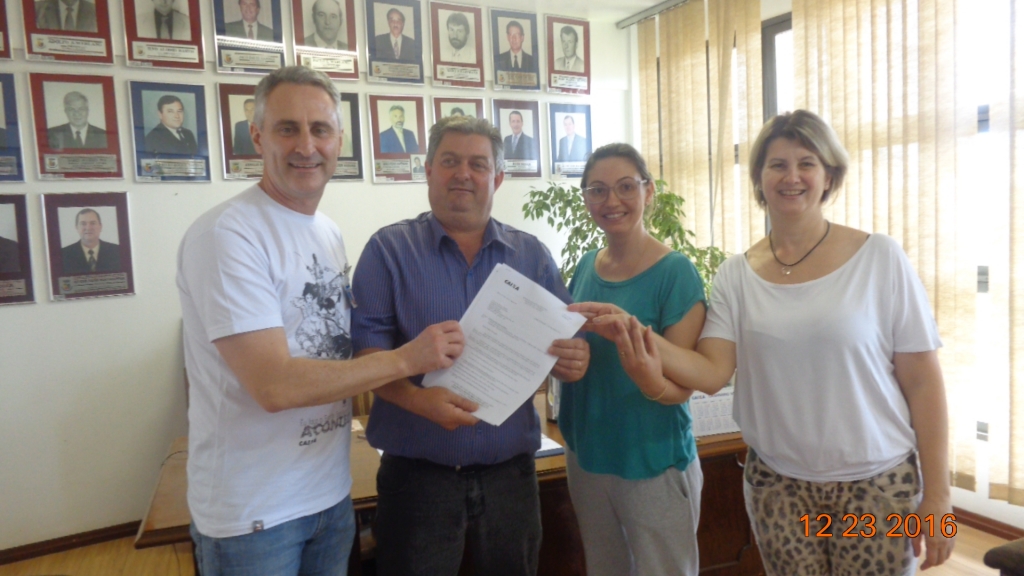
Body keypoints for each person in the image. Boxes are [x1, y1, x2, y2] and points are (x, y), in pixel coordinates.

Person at [599, 109, 954, 575]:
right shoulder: (736, 275)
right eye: (777, 165)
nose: (792, 177)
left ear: (829, 176)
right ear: (759, 180)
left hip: (877, 487)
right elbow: (712, 373)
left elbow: (924, 381)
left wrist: (939, 497)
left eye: (807, 163)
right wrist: (632, 329)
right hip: (779, 488)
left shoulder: (879, 257)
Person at [177, 65, 465, 576]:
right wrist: (407, 359)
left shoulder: (326, 231)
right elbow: (275, 386)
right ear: (258, 136)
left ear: (339, 141)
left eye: (320, 129)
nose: (306, 146)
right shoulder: (227, 234)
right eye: (288, 128)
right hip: (255, 515)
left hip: (328, 495)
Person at [351, 115, 591, 576]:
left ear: (496, 178)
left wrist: (575, 359)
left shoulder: (532, 256)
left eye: (478, 164)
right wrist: (419, 401)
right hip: (417, 482)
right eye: (450, 161)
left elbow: (566, 344)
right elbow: (366, 356)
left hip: (511, 479)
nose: (463, 173)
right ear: (428, 170)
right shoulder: (388, 251)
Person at [558, 144, 706, 576]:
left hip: (652, 461)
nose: (612, 201)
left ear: (648, 191)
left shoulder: (675, 273)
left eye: (626, 186)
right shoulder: (586, 265)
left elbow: (684, 386)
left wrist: (647, 377)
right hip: (587, 456)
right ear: (586, 198)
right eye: (597, 190)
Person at [61, 208, 121, 274]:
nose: (88, 228)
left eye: (93, 223)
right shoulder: (64, 255)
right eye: (83, 223)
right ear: (77, 227)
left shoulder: (117, 251)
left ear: (100, 226)